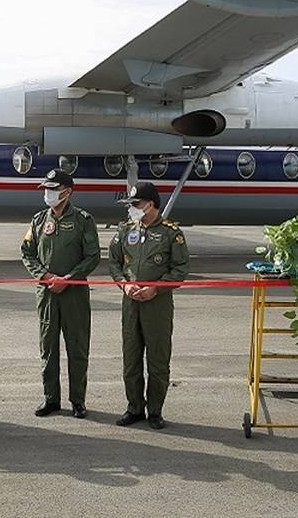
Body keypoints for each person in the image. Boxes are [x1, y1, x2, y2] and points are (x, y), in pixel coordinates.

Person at [107, 182, 188, 430]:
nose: (132, 209)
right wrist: (124, 284)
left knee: (158, 358)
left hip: (158, 305)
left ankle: (155, 411)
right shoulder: (125, 230)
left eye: (136, 204)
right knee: (131, 358)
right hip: (131, 303)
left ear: (151, 205)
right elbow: (114, 263)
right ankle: (134, 408)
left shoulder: (171, 233)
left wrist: (156, 287)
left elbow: (180, 269)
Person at [20, 168, 100, 419]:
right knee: (48, 348)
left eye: (53, 189)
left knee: (77, 348)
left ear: (68, 192)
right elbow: (27, 252)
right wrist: (44, 276)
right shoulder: (38, 220)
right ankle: (51, 399)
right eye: (47, 189)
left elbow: (93, 256)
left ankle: (78, 400)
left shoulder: (83, 220)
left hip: (73, 294)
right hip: (46, 294)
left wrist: (69, 279)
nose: (48, 193)